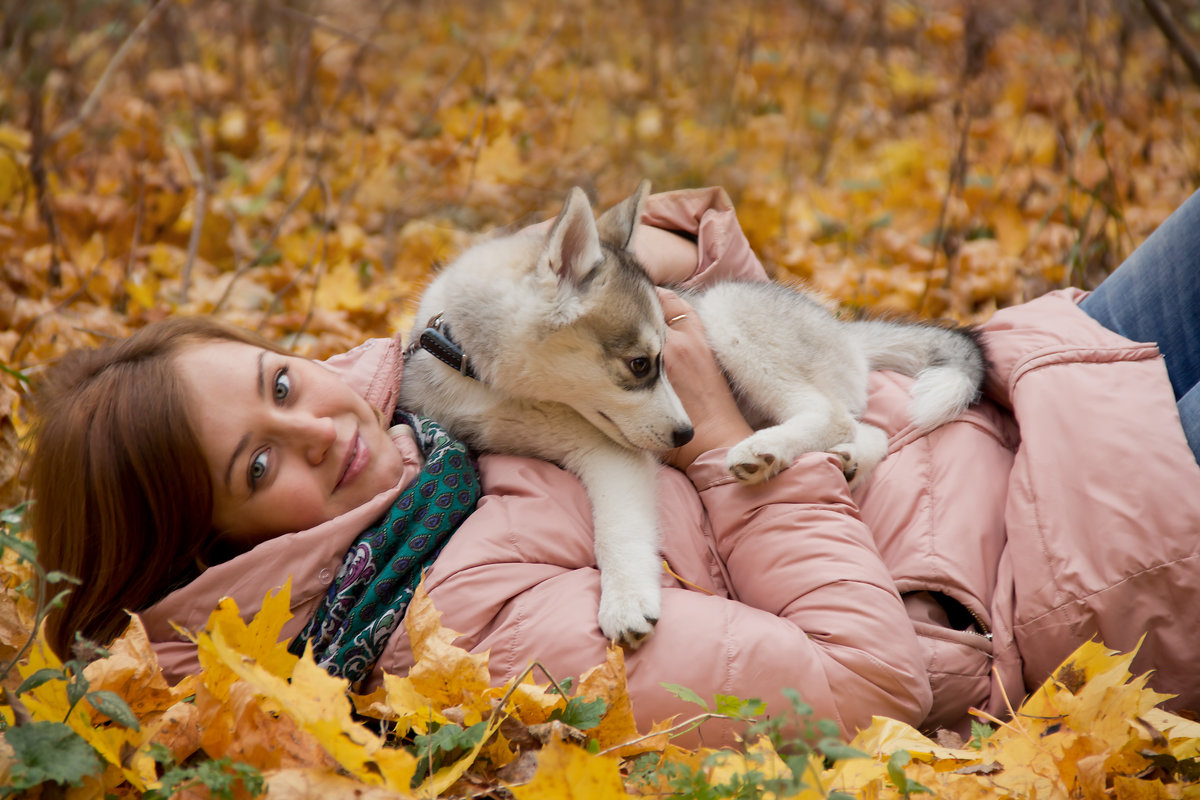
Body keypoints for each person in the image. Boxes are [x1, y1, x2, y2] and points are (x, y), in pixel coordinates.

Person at [27, 186, 1200, 746]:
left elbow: (655, 315)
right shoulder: (463, 620)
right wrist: (729, 431)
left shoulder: (407, 412)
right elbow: (863, 683)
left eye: (281, 378)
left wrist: (653, 261)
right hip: (1083, 549)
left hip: (1027, 374)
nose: (318, 423)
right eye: (255, 464)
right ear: (232, 550)